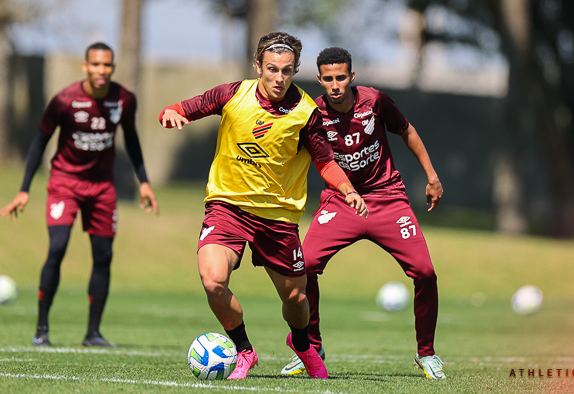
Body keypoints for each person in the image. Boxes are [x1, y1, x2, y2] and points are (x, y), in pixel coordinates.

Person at [159, 32, 368, 379]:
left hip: (277, 217)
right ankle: (244, 350)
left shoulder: (306, 113)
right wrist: (171, 113)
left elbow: (326, 162)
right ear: (258, 66)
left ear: (295, 69)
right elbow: (182, 108)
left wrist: (348, 189)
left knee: (296, 301)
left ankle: (302, 344)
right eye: (272, 69)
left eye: (287, 71)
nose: (279, 78)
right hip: (227, 207)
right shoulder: (232, 94)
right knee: (213, 281)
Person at [279, 47, 446, 379]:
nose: (335, 84)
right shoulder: (311, 113)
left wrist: (432, 176)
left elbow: (407, 131)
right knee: (305, 265)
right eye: (328, 79)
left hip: (388, 199)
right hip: (340, 203)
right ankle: (311, 347)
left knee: (425, 273)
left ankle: (426, 354)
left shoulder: (375, 101)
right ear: (320, 80)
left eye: (341, 77)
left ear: (351, 77)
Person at [0, 42, 159, 348]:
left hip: (102, 187)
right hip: (65, 182)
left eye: (107, 65)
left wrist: (145, 182)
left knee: (104, 256)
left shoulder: (124, 99)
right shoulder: (65, 100)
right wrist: (23, 189)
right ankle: (41, 329)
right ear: (85, 66)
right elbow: (39, 143)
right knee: (57, 248)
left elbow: (132, 139)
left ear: (113, 67)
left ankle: (92, 334)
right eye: (96, 64)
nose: (102, 71)